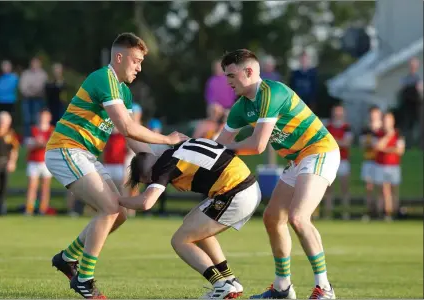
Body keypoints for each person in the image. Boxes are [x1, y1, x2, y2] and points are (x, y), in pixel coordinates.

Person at [45, 32, 188, 299]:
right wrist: (167, 139)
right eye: (136, 60)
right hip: (65, 149)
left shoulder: (123, 91)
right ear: (119, 57)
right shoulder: (104, 78)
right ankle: (84, 279)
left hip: (84, 155)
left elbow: (131, 137)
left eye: (142, 62)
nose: (139, 67)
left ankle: (68, 258)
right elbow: (126, 126)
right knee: (109, 207)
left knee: (119, 213)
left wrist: (161, 167)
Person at [215, 49, 339, 299]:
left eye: (231, 75)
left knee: (298, 217)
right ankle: (283, 288)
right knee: (272, 217)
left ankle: (325, 289)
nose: (228, 82)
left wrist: (221, 149)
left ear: (249, 72)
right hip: (297, 159)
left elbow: (257, 145)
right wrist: (191, 151)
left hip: (319, 151)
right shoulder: (240, 107)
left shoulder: (272, 92)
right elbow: (220, 145)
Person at [120, 138, 262, 299]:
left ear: (146, 177)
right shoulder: (175, 148)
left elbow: (146, 203)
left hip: (235, 191)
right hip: (246, 185)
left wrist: (117, 200)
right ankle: (230, 280)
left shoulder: (163, 166)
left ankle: (220, 285)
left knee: (180, 240)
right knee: (191, 225)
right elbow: (139, 146)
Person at [373, 112, 405, 221]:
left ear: (393, 121)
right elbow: (377, 147)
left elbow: (400, 150)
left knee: (394, 190)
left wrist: (386, 149)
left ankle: (395, 212)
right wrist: (388, 136)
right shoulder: (379, 133)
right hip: (381, 165)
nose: (387, 123)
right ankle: (386, 213)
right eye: (385, 120)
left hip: (394, 166)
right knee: (384, 190)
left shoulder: (398, 134)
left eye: (389, 120)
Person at [325, 104, 353, 220]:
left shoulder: (347, 127)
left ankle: (345, 212)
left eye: (340, 112)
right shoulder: (328, 127)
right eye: (336, 112)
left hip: (343, 160)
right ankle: (328, 212)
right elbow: (325, 143)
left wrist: (334, 141)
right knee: (328, 188)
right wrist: (339, 142)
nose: (338, 114)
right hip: (329, 161)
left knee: (344, 187)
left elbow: (347, 143)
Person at [24, 109, 54, 215]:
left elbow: (53, 145)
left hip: (46, 162)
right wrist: (37, 143)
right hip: (33, 161)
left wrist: (42, 143)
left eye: (45, 116)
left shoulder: (52, 130)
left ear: (49, 118)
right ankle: (29, 209)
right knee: (32, 186)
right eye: (41, 116)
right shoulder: (32, 129)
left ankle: (43, 209)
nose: (43, 119)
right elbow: (27, 144)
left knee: (45, 187)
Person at [359, 106, 383, 220]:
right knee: (369, 187)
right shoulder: (366, 129)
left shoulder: (383, 129)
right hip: (368, 161)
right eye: (372, 115)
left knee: (381, 187)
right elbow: (363, 144)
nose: (374, 117)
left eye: (376, 114)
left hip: (381, 162)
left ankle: (380, 211)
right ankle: (369, 210)